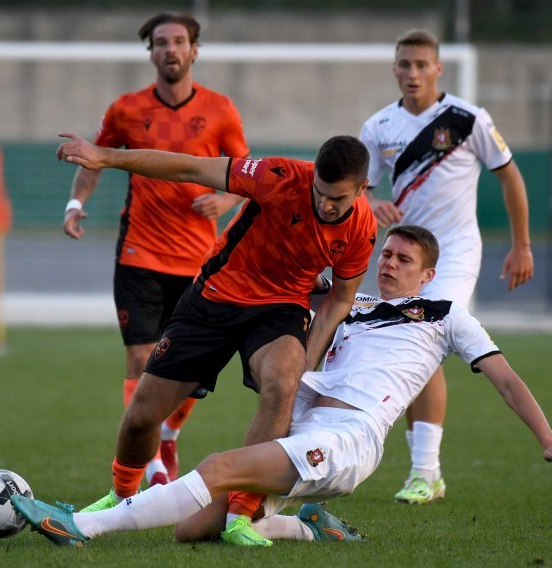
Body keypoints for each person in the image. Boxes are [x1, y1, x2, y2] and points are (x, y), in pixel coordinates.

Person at [11, 225, 552, 548]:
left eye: (402, 259)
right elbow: (295, 263)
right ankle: (303, 524)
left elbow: (506, 380)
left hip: (350, 437)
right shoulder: (350, 302)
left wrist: (547, 438)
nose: (387, 264)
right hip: (307, 427)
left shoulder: (446, 315)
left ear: (427, 273)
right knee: (192, 532)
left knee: (215, 465)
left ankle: (79, 526)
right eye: (384, 254)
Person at [55, 131, 378, 542]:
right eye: (320, 193)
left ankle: (240, 515)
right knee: (141, 417)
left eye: (339, 199)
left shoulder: (362, 229)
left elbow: (339, 299)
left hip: (280, 309)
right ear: (313, 175)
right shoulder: (277, 175)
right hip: (214, 297)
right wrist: (105, 156)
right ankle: (122, 495)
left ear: (362, 189)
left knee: (281, 385)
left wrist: (306, 366)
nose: (326, 204)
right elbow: (190, 166)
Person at [63, 13, 250, 487]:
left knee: (193, 368)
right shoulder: (126, 109)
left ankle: (166, 434)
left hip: (198, 263)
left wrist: (224, 199)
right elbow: (95, 157)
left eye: (179, 41)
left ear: (194, 51)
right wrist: (75, 203)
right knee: (140, 362)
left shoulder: (221, 110)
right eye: (161, 42)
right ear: (150, 53)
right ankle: (144, 467)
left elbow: (243, 174)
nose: (170, 49)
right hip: (139, 257)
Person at [359, 29, 535, 504]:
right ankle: (425, 472)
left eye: (421, 65)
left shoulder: (467, 119)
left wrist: (522, 245)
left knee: (425, 335)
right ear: (394, 69)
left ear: (438, 68)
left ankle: (426, 471)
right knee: (409, 346)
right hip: (405, 252)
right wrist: (372, 203)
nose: (413, 73)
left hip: (454, 251)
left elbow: (510, 176)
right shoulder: (378, 127)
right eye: (404, 64)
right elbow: (359, 187)